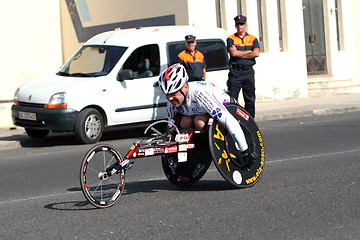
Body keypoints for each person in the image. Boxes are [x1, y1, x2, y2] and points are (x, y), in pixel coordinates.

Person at [158, 63, 256, 165]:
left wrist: (245, 150)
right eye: (167, 95)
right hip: (202, 113)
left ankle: (208, 144)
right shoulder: (173, 101)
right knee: (184, 122)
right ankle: (199, 146)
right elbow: (171, 124)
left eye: (173, 94)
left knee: (199, 121)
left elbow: (228, 119)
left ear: (185, 87)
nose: (170, 98)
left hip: (228, 109)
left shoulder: (199, 94)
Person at [227, 15, 260, 118]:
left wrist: (239, 53)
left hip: (248, 72)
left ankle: (250, 121)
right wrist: (249, 52)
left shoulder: (253, 38)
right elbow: (233, 54)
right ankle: (232, 120)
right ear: (235, 26)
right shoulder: (231, 39)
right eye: (238, 24)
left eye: (241, 24)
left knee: (250, 99)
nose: (240, 26)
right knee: (232, 99)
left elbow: (256, 53)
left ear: (245, 25)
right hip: (236, 73)